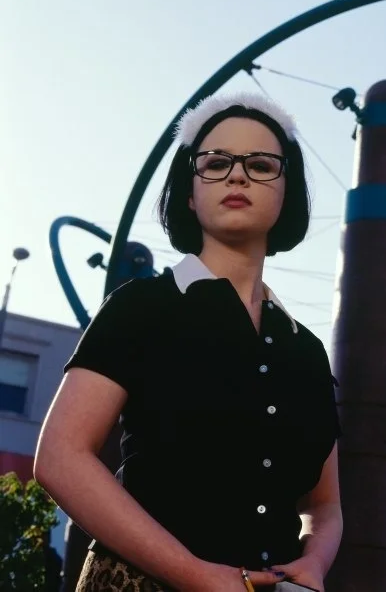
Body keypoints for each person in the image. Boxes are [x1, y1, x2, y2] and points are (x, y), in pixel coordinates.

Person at [34, 92, 343, 592]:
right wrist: (194, 573)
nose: (237, 176)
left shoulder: (307, 350)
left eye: (261, 165)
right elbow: (60, 457)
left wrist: (316, 562)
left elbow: (324, 505)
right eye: (216, 163)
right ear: (189, 193)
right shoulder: (141, 306)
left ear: (288, 191)